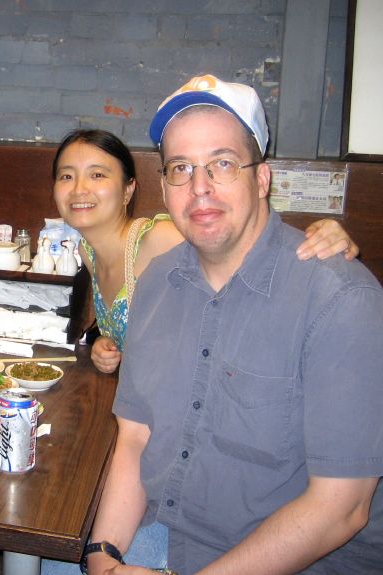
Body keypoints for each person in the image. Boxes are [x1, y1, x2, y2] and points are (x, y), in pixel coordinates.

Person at [82, 75, 383, 574]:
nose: (200, 187)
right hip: (169, 534)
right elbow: (135, 438)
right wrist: (103, 557)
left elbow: (342, 509)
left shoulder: (340, 300)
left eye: (222, 163)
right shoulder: (155, 283)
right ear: (164, 186)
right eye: (181, 167)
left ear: (261, 179)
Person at [51, 130, 358, 374]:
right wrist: (108, 343)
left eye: (97, 175)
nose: (79, 188)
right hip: (147, 408)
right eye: (66, 176)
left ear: (128, 189)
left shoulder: (159, 240)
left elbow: (249, 249)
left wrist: (322, 239)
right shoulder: (87, 251)